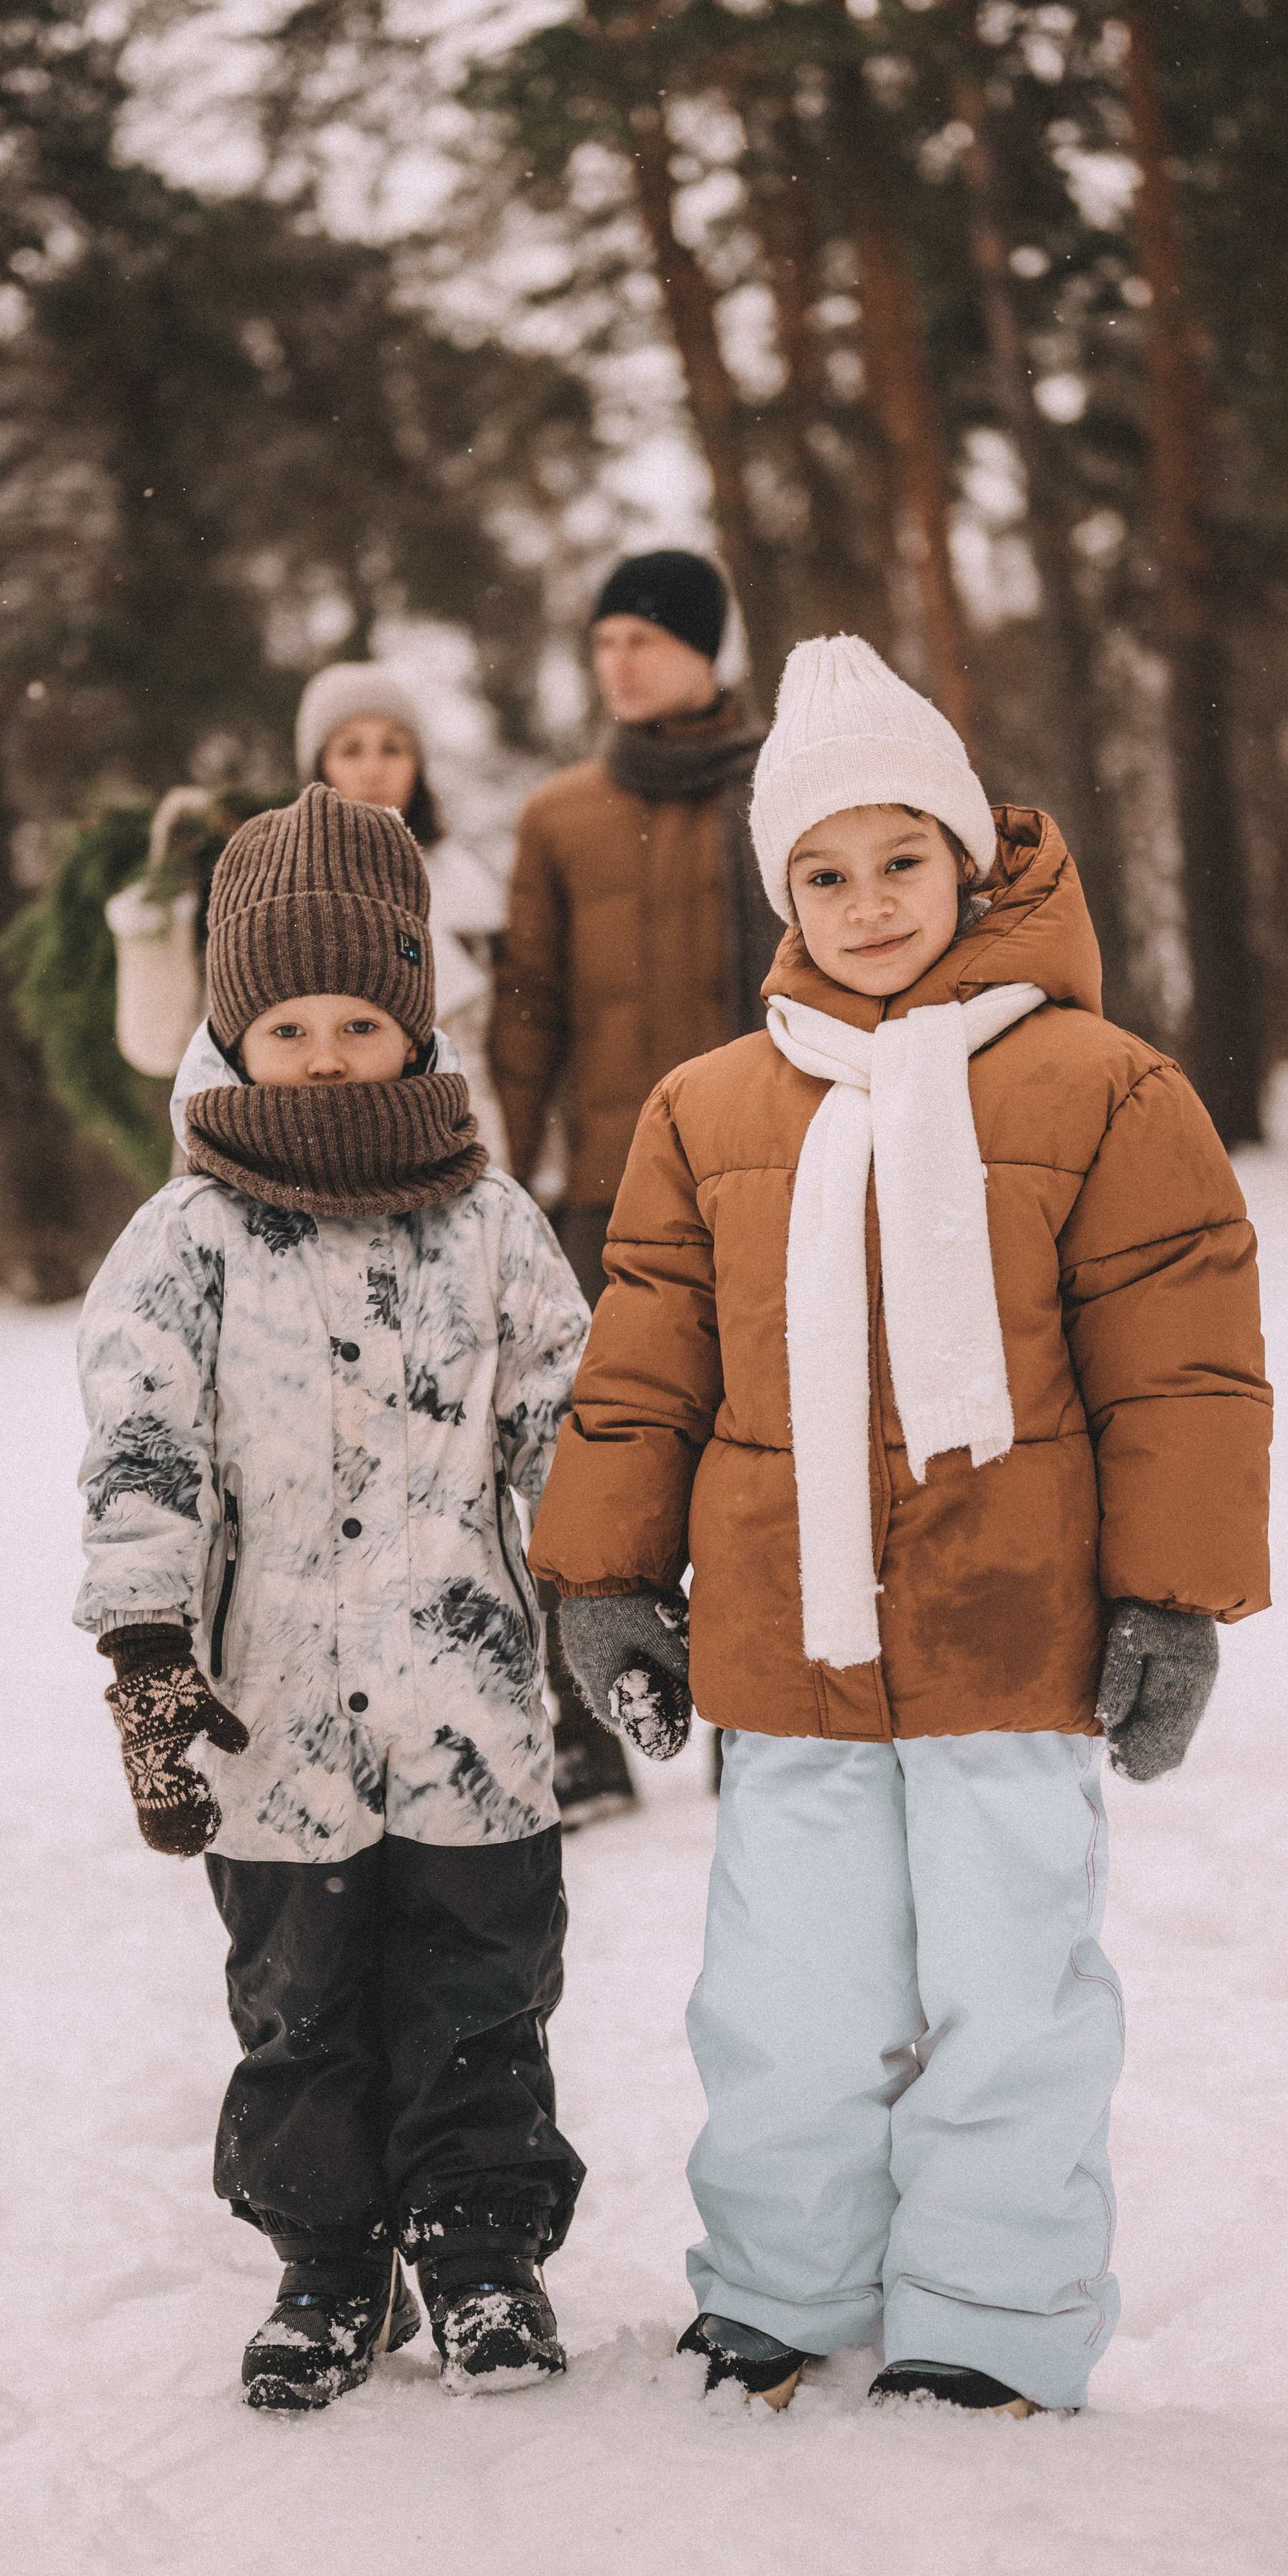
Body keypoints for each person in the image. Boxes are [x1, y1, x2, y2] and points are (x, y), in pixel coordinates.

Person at [529, 634, 1272, 2419]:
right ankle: (781, 2284)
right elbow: (640, 1363)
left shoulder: (1100, 1085)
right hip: (786, 1640)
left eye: (899, 860)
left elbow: (1181, 1360)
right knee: (783, 1991)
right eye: (823, 872)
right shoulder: (707, 1107)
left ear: (970, 858)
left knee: (1012, 1989)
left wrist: (1170, 1598)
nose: (866, 903)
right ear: (780, 889)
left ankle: (991, 2313)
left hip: (1009, 1640)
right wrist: (609, 1570)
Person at [73, 785, 591, 2413]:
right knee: (298, 2001)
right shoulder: (184, 1241)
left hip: (472, 1702)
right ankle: (328, 2259)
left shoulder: (490, 1221)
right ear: (233, 1029)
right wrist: (149, 1649)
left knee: (477, 1987)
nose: (317, 1048)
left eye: (356, 1016)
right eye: (283, 1019)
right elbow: (141, 1449)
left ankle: (478, 2245)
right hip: (269, 1705)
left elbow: (566, 1428)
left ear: (411, 1022)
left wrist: (616, 1582)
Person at [491, 549, 779, 1822]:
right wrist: (512, 1160)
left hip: (767, 1174)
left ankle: (762, 1718)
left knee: (761, 1450)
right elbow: (527, 1010)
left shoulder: (783, 788)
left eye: (646, 639)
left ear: (708, 650)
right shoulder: (558, 816)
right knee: (598, 1456)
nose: (620, 662)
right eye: (604, 642)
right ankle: (594, 1727)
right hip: (608, 1186)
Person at [106, 665, 508, 1167]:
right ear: (317, 763)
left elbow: (499, 1060)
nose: (373, 769)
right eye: (350, 748)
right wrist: (160, 912)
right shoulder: (264, 890)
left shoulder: (470, 895)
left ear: (419, 763)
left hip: (445, 1167)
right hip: (266, 1174)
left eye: (393, 748)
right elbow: (166, 1045)